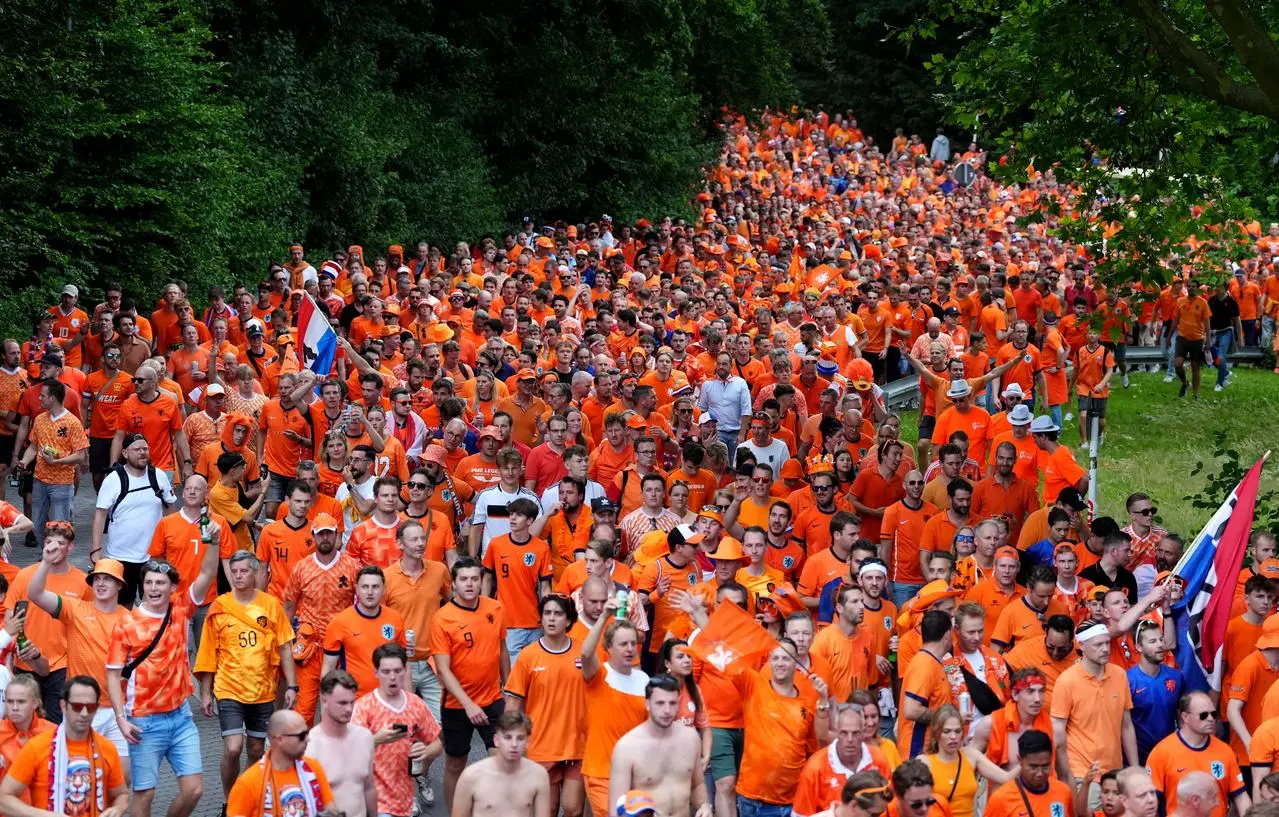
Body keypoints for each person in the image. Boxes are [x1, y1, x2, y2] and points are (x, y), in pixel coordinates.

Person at [105, 533, 219, 817]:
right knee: (145, 795)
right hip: (144, 721)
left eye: (160, 583)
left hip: (181, 718)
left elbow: (207, 572)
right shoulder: (126, 625)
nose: (154, 588)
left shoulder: (180, 609)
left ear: (172, 588)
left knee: (194, 790)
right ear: (142, 586)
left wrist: (214, 543)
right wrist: (120, 718)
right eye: (149, 583)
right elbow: (113, 675)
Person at [194, 550, 297, 799]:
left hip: (263, 689)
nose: (238, 576)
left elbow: (284, 647)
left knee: (256, 748)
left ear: (254, 573)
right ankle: (230, 801)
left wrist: (292, 686)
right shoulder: (220, 607)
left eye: (244, 571)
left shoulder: (270, 605)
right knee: (233, 747)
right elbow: (208, 651)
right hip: (229, 688)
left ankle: (247, 798)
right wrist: (206, 693)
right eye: (235, 571)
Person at [25, 543, 131, 765]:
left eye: (107, 579)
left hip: (117, 708)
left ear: (119, 585)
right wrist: (45, 562)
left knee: (123, 775)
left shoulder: (130, 619)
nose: (100, 583)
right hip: (81, 706)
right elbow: (34, 593)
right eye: (97, 579)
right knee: (79, 771)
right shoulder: (74, 609)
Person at [428, 557, 508, 810]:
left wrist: (510, 688)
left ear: (482, 580)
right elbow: (443, 668)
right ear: (455, 583)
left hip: (493, 699)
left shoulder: (495, 608)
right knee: (455, 763)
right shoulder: (442, 619)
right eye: (464, 579)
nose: (470, 584)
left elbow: (502, 650)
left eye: (475, 578)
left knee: (503, 762)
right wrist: (469, 705)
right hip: (457, 704)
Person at [504, 594, 587, 817]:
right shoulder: (528, 656)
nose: (551, 619)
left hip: (577, 745)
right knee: (546, 810)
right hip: (541, 747)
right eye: (547, 613)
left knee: (573, 809)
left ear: (569, 620)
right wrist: (510, 743)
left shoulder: (584, 652)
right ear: (540, 618)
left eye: (558, 614)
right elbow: (513, 703)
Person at [0, 675, 130, 817]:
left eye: (90, 707)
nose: (84, 713)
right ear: (63, 706)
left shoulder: (107, 749)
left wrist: (117, 809)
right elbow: (4, 798)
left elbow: (121, 795)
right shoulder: (38, 746)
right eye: (77, 707)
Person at [282, 513, 360, 725]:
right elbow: (288, 606)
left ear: (337, 535)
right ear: (313, 536)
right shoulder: (301, 568)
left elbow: (362, 604)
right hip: (310, 649)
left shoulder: (352, 567)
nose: (325, 538)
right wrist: (284, 642)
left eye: (329, 533)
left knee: (341, 710)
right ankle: (301, 756)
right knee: (304, 711)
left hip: (343, 649)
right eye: (320, 534)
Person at [5, 520, 86, 721]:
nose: (53, 547)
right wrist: (14, 654)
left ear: (71, 546)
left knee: (55, 727)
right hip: (26, 663)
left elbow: (89, 624)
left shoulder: (83, 582)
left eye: (60, 543)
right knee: (24, 724)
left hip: (62, 665)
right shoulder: (24, 576)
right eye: (49, 541)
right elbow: (9, 621)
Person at [351, 642, 442, 817]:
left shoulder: (416, 704)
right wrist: (376, 739)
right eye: (386, 672)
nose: (392, 677)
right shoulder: (364, 707)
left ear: (405, 671)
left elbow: (437, 743)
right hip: (373, 800)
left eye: (397, 671)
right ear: (376, 673)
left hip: (405, 800)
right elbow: (348, 751)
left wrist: (427, 750)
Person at [579, 595, 649, 817]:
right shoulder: (599, 675)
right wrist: (604, 617)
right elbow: (585, 653)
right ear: (608, 647)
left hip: (636, 774)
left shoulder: (644, 681)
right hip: (602, 772)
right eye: (623, 644)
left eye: (632, 643)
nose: (630, 649)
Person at [609, 674, 712, 817]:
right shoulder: (626, 747)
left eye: (672, 703)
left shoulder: (691, 739)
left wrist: (704, 805)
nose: (667, 710)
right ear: (647, 704)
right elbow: (616, 809)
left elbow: (697, 784)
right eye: (660, 703)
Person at [1050, 621, 1138, 787]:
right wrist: (1064, 775)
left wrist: (1134, 768)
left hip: (1114, 773)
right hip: (1081, 773)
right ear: (1082, 646)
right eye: (1098, 644)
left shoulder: (1119, 675)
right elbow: (1057, 730)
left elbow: (1126, 726)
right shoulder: (1067, 681)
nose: (1105, 649)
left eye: (1106, 643)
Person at [1148, 691, 1249, 817]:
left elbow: (1240, 797)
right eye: (1203, 715)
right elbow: (1151, 804)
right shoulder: (1162, 752)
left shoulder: (1225, 751)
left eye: (1213, 714)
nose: (1210, 719)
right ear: (1185, 717)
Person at [224, 709, 335, 817]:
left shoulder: (313, 768)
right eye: (301, 736)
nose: (308, 739)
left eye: (307, 733)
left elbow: (331, 810)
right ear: (280, 739)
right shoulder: (248, 783)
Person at [19, 379, 88, 548]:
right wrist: (24, 461)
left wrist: (56, 461)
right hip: (39, 481)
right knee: (37, 524)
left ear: (53, 398)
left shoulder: (73, 423)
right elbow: (34, 447)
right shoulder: (40, 419)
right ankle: (46, 557)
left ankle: (57, 562)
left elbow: (80, 455)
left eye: (42, 396)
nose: (39, 399)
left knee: (59, 527)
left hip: (62, 484)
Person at [320, 565, 406, 697]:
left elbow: (405, 664)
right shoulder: (340, 622)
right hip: (354, 701)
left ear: (384, 589)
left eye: (375, 587)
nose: (370, 592)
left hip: (389, 700)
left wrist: (409, 702)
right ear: (357, 590)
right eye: (365, 587)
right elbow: (328, 669)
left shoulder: (395, 619)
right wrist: (328, 706)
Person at [793, 704, 892, 817]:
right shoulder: (815, 768)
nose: (850, 739)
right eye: (844, 733)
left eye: (855, 733)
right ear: (836, 730)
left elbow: (890, 804)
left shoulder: (879, 759)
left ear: (863, 731)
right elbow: (800, 814)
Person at [482, 496, 551, 657]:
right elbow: (487, 579)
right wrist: (485, 607)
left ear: (529, 520)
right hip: (508, 622)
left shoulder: (541, 548)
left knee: (535, 675)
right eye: (511, 514)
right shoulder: (496, 544)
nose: (512, 518)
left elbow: (546, 587)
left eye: (518, 515)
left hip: (535, 622)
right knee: (513, 676)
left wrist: (547, 615)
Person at [450, 710, 551, 817]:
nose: (514, 744)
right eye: (507, 737)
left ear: (527, 742)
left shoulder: (539, 775)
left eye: (520, 738)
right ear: (496, 740)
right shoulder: (471, 777)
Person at [305, 670, 377, 817]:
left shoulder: (364, 738)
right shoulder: (310, 746)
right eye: (342, 703)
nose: (349, 709)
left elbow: (369, 787)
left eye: (352, 702)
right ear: (324, 701)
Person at [1127, 618, 1183, 763]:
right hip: (1138, 758)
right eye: (1152, 642)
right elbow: (1123, 726)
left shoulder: (1175, 676)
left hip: (1169, 756)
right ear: (1139, 647)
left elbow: (1181, 718)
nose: (1160, 645)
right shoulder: (1128, 680)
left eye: (1160, 639)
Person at [982, 730, 1073, 817]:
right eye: (1033, 767)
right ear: (1020, 760)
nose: (1040, 773)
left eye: (1045, 766)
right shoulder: (1001, 799)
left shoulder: (1063, 792)